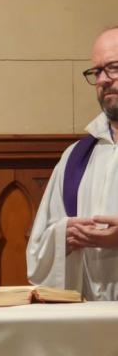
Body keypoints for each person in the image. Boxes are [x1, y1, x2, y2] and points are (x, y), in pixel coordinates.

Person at [28, 26, 118, 299]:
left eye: (113, 67)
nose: (103, 79)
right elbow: (37, 251)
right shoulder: (76, 158)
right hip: (89, 318)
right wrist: (63, 236)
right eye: (97, 71)